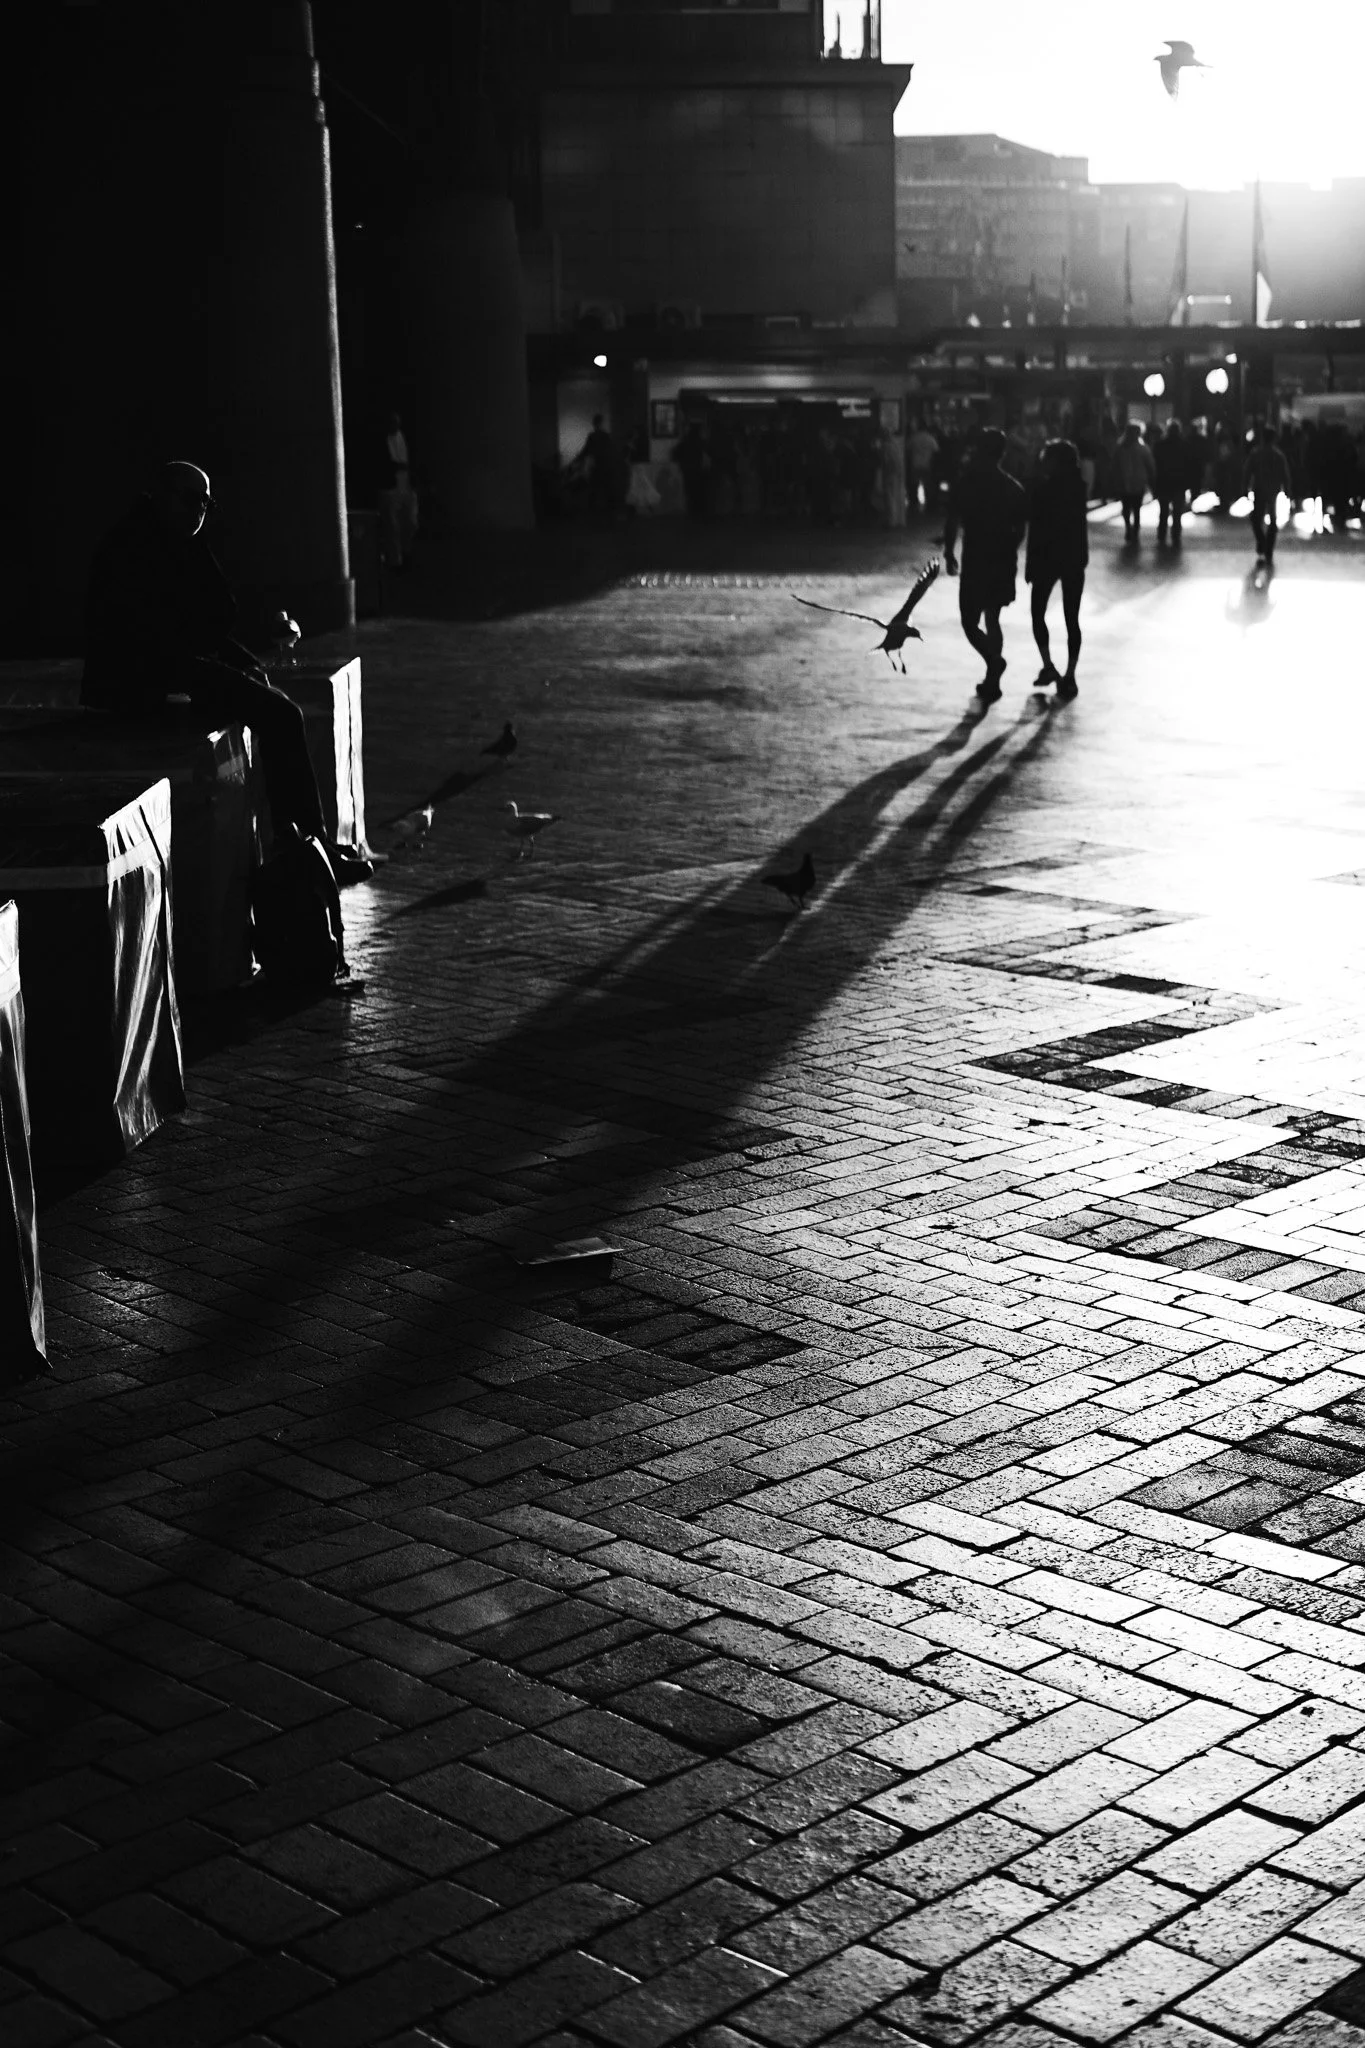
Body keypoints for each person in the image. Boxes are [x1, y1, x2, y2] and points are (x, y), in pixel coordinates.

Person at [82, 462, 372, 884]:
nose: (200, 511)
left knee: (271, 702)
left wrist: (240, 663)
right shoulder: (137, 548)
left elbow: (204, 625)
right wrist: (224, 671)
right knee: (282, 717)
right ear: (162, 497)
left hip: (167, 667)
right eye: (191, 499)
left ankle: (301, 843)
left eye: (205, 502)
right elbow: (156, 640)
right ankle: (310, 851)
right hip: (144, 680)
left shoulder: (170, 539)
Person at [943, 427, 1028, 701]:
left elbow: (953, 519)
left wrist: (948, 551)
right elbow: (1021, 527)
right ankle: (993, 676)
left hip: (976, 558)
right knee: (994, 617)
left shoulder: (967, 482)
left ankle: (993, 662)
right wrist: (1009, 547)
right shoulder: (1013, 486)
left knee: (970, 621)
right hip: (1002, 560)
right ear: (1002, 453)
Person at [1025, 439, 1088, 700]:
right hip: (1074, 557)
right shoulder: (1079, 487)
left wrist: (1030, 564)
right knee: (1072, 618)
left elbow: (1036, 529)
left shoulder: (1043, 489)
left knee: (1037, 612)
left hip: (1047, 558)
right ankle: (1070, 674)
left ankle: (1048, 665)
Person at [1244, 423, 1292, 564]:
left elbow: (1247, 471)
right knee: (1272, 519)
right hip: (1273, 491)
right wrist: (1288, 489)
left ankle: (1261, 541)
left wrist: (1245, 487)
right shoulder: (1278, 455)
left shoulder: (1256, 453)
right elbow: (1285, 474)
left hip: (1259, 489)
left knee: (1256, 519)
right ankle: (1268, 547)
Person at [378, 410, 418, 570]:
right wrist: (398, 467)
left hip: (406, 485)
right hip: (390, 487)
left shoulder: (406, 437)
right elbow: (381, 464)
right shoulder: (381, 441)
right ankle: (395, 562)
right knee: (392, 527)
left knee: (411, 523)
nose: (395, 425)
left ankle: (404, 553)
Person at [1115, 421, 1156, 542]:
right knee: (1136, 508)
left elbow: (1115, 465)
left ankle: (1128, 527)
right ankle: (1135, 530)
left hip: (1124, 482)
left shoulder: (1120, 448)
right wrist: (1152, 479)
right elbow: (1150, 466)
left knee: (1126, 507)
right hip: (1139, 482)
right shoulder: (1143, 449)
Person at [1153, 420, 1187, 545]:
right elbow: (1189, 465)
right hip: (1179, 483)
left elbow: (1155, 464)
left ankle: (1162, 534)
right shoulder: (1184, 445)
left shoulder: (1160, 445)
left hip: (1164, 482)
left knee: (1163, 511)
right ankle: (1176, 535)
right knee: (1177, 512)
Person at [907, 420, 939, 511]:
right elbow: (936, 450)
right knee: (927, 486)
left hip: (915, 464)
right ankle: (929, 505)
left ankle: (914, 504)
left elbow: (907, 449)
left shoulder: (913, 438)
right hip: (927, 465)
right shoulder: (930, 438)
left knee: (914, 486)